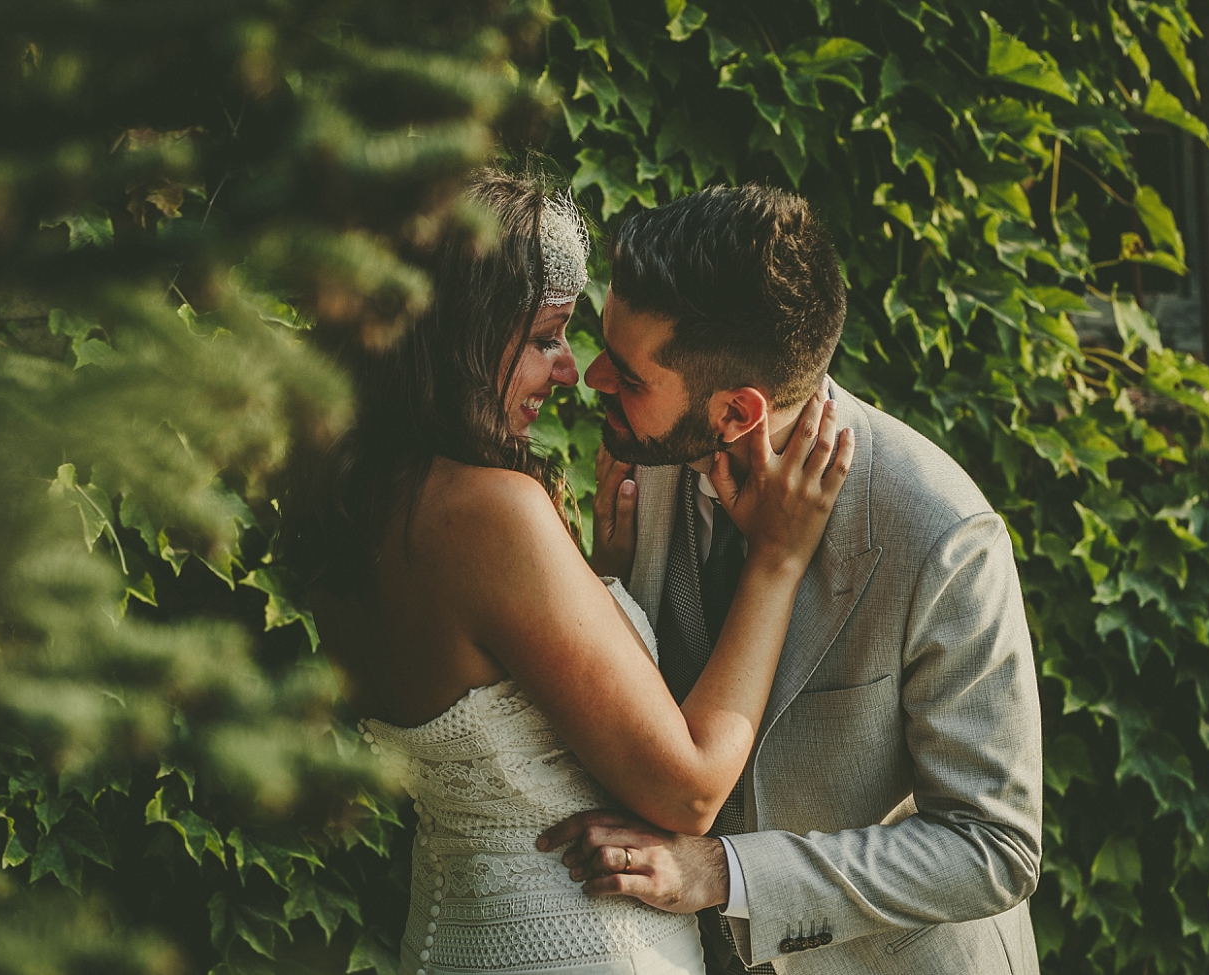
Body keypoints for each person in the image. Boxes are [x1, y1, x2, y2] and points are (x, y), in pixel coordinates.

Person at [294, 169, 854, 975]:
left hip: (448, 939)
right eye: (545, 336)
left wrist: (596, 585)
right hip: (577, 947)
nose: (570, 371)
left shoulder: (353, 501)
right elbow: (690, 790)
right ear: (462, 337)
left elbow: (491, 691)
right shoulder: (492, 513)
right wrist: (778, 556)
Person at [539, 184, 1043, 974]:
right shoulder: (644, 464)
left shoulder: (944, 534)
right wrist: (606, 579)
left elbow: (995, 846)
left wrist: (723, 872)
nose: (594, 377)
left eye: (631, 376)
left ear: (737, 411)